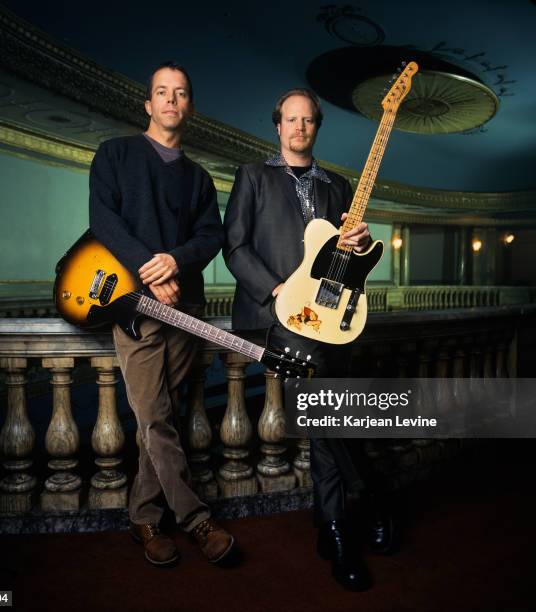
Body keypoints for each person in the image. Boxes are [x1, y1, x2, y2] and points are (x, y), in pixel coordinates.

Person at [223, 88, 395, 591]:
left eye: (308, 121)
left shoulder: (339, 186)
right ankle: (363, 508)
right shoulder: (253, 176)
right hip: (273, 315)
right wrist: (275, 290)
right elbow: (233, 246)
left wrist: (360, 244)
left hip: (326, 318)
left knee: (324, 413)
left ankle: (331, 524)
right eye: (290, 120)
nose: (299, 128)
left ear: (317, 126)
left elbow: (347, 256)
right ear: (277, 125)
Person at [89, 61, 234, 567]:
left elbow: (211, 237)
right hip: (135, 307)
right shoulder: (114, 155)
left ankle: (143, 516)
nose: (171, 100)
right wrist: (152, 269)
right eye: (161, 92)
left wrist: (177, 260)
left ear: (188, 106)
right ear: (148, 104)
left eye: (181, 93)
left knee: (161, 416)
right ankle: (196, 519)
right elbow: (104, 222)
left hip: (187, 307)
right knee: (154, 414)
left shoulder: (199, 179)